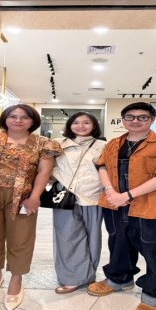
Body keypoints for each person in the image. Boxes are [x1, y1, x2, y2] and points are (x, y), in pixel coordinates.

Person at [87, 102, 156, 310]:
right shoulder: (114, 143)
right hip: (115, 204)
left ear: (152, 120)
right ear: (123, 120)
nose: (136, 121)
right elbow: (102, 166)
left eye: (142, 117)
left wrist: (128, 195)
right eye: (130, 117)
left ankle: (155, 295)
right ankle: (119, 279)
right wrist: (110, 191)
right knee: (118, 243)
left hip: (153, 206)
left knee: (155, 252)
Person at [0, 104, 61, 310]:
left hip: (23, 198)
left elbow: (44, 172)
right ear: (5, 118)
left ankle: (16, 279)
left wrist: (35, 196)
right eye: (13, 116)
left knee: (21, 238)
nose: (18, 120)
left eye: (24, 117)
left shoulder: (43, 143)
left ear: (33, 121)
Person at [51, 112, 107, 294]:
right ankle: (72, 278)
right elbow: (47, 167)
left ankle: (88, 275)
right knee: (66, 237)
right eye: (76, 122)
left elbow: (108, 170)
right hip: (64, 197)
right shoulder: (57, 144)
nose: (81, 126)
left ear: (94, 125)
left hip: (93, 196)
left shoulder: (103, 146)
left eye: (86, 122)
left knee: (93, 238)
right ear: (69, 125)